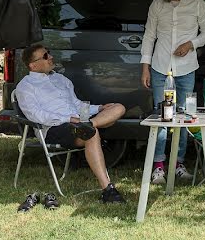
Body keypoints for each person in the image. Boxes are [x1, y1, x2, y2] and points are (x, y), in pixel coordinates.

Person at [15, 43, 127, 204]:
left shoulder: (61, 79)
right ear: (33, 65)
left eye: (49, 53)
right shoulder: (25, 87)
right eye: (45, 56)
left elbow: (76, 104)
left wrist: (100, 107)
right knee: (90, 133)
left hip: (77, 123)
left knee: (118, 107)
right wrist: (68, 119)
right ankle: (107, 189)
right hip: (54, 128)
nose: (51, 57)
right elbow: (36, 115)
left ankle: (90, 124)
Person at [140, 0, 205, 184]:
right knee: (161, 115)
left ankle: (179, 163)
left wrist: (191, 43)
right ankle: (159, 166)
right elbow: (149, 36)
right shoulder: (156, 6)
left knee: (183, 117)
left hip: (186, 69)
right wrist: (145, 67)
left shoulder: (197, 4)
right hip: (160, 67)